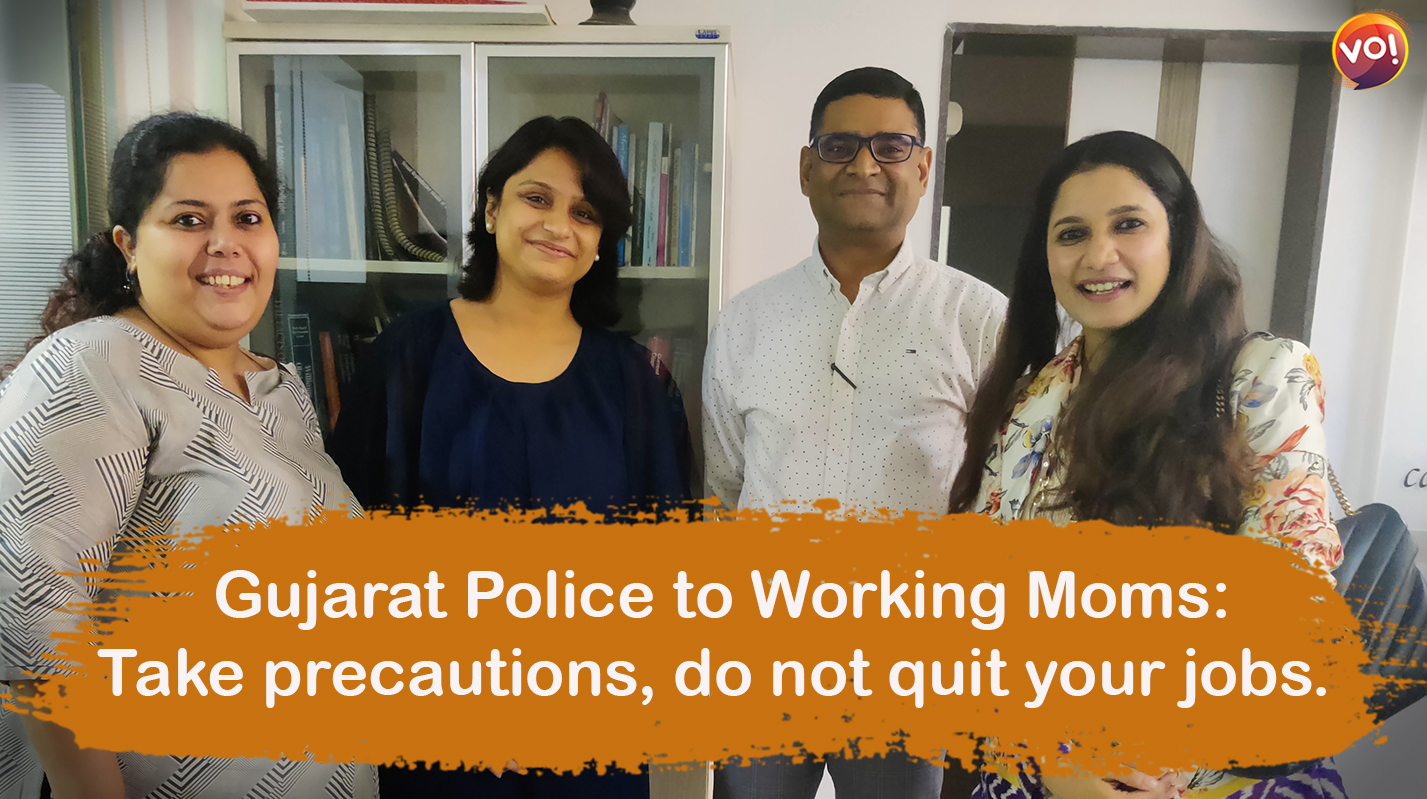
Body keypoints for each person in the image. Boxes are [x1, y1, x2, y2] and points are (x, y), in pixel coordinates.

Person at [948, 130, 1345, 799]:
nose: (1098, 255)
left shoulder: (1259, 375)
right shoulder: (1029, 398)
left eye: (1128, 224)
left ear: (1178, 236)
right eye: (1071, 233)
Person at [0, 113, 374, 798]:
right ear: (128, 245)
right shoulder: (94, 364)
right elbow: (31, 621)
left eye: (248, 218)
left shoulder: (280, 387)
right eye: (189, 219)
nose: (225, 243)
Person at [702, 67, 1006, 799]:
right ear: (807, 169)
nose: (864, 164)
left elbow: (1006, 498)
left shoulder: (978, 319)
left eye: (891, 145)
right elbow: (723, 488)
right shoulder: (747, 320)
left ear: (923, 168)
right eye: (839, 146)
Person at [329, 115, 689, 516]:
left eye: (584, 213)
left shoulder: (634, 382)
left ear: (600, 242)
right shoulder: (407, 356)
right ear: (493, 208)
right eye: (537, 198)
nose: (558, 226)